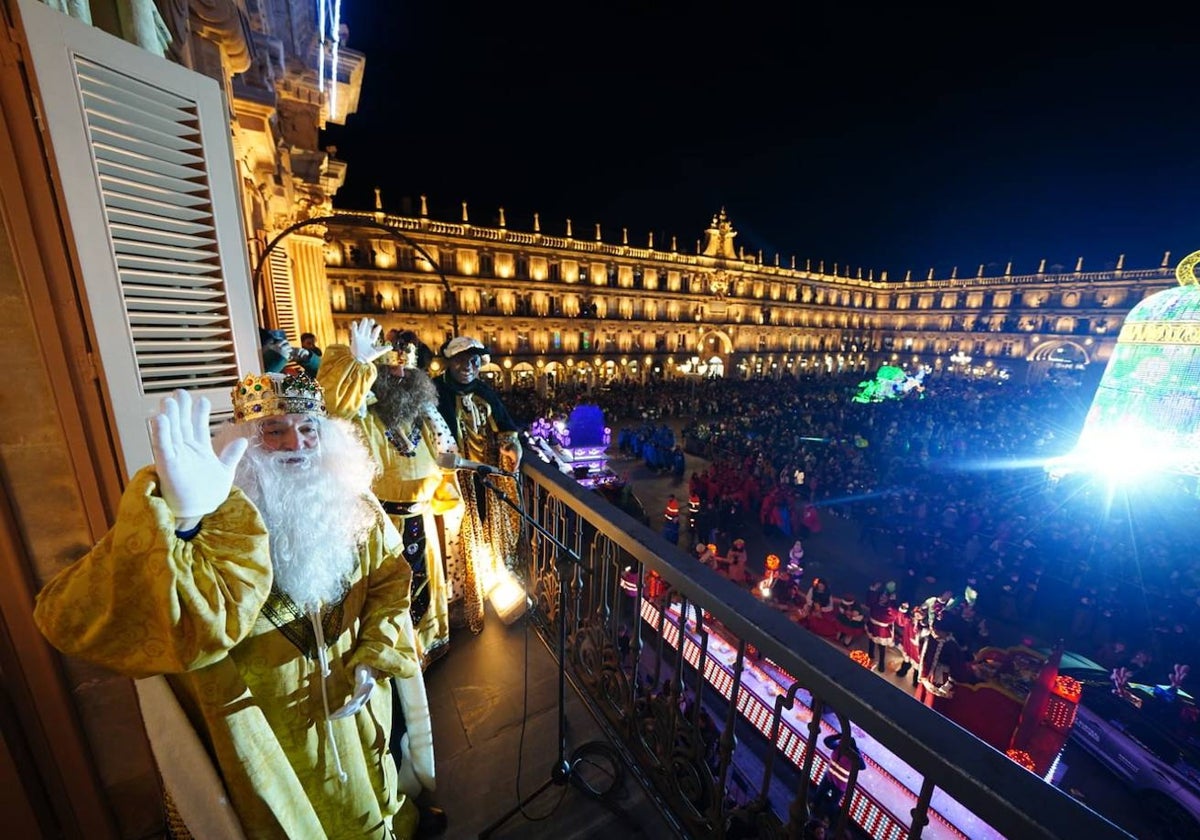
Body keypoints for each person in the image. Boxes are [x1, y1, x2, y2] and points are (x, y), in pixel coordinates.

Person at [33, 373, 431, 839]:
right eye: (274, 430)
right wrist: (181, 523)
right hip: (267, 739)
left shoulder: (355, 505)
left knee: (376, 799)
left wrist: (374, 655)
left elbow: (388, 580)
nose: (294, 444)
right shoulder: (210, 527)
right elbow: (68, 618)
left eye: (308, 429)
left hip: (356, 704)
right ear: (245, 441)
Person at [317, 318, 460, 668]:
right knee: (388, 592)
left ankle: (426, 644)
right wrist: (357, 364)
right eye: (392, 373)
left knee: (424, 586)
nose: (400, 379)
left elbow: (446, 457)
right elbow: (335, 406)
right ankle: (392, 653)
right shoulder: (363, 414)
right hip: (381, 523)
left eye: (407, 375)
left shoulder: (423, 416)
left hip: (421, 519)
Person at [433, 335, 523, 634]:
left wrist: (512, 446)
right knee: (456, 539)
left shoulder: (485, 392)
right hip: (451, 481)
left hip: (485, 478)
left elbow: (505, 427)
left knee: (486, 530)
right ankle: (460, 597)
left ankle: (487, 582)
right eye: (461, 360)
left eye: (474, 360)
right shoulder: (435, 392)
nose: (468, 366)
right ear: (449, 362)